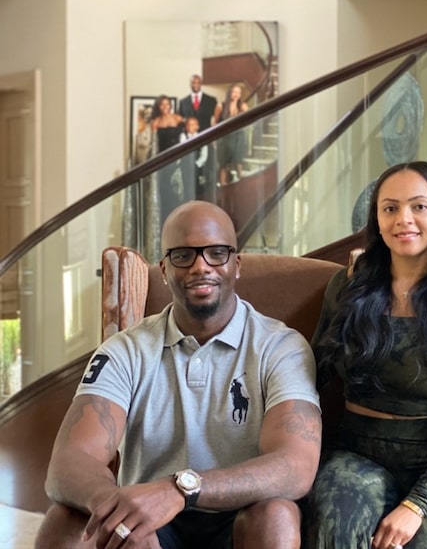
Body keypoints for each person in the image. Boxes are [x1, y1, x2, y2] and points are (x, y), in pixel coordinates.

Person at [35, 201, 322, 549]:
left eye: (217, 253)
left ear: (236, 264)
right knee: (65, 522)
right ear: (164, 268)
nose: (201, 267)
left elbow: (295, 467)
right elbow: (69, 463)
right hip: (147, 526)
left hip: (239, 520)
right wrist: (121, 512)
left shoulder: (282, 347)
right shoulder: (125, 350)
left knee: (277, 515)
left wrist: (181, 488)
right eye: (184, 255)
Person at [305, 161, 427, 549]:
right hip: (354, 450)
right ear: (376, 219)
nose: (403, 219)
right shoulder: (347, 286)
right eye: (390, 207)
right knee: (338, 530)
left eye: (419, 206)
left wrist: (418, 503)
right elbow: (313, 371)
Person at [215, 83, 250, 185]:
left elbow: (249, 121)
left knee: (238, 163)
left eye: (238, 92)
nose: (236, 94)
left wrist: (244, 110)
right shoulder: (220, 105)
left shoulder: (243, 106)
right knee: (223, 165)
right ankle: (223, 186)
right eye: (234, 92)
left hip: (238, 136)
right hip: (224, 137)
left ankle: (241, 185)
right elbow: (215, 122)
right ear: (229, 92)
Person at [179, 116, 216, 201]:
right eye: (188, 125)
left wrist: (197, 164)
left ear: (197, 126)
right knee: (186, 184)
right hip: (185, 164)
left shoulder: (201, 137)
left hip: (196, 166)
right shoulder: (183, 136)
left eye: (193, 125)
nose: (190, 127)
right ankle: (186, 199)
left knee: (197, 184)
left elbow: (204, 154)